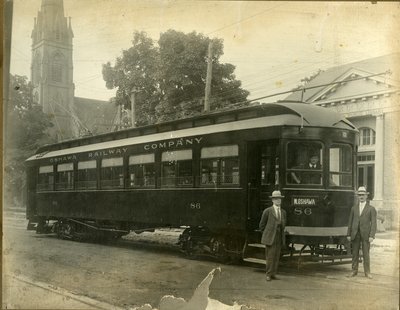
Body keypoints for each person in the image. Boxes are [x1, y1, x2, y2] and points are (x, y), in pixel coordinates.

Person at [347, 186, 377, 279]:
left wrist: (372, 235)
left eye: (363, 195)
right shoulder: (354, 208)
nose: (361, 197)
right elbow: (350, 222)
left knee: (366, 254)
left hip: (366, 235)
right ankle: (354, 271)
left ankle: (367, 272)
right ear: (357, 196)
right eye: (359, 195)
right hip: (355, 234)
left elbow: (374, 224)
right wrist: (348, 234)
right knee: (354, 253)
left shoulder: (371, 209)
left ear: (366, 196)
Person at [259, 190, 286, 281]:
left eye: (279, 199)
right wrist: (268, 233)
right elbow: (261, 225)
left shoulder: (283, 212)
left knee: (276, 256)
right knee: (270, 256)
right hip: (271, 237)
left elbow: (284, 224)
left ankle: (273, 273)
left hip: (279, 237)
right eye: (276, 199)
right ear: (273, 200)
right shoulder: (267, 211)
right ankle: (268, 274)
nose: (278, 200)